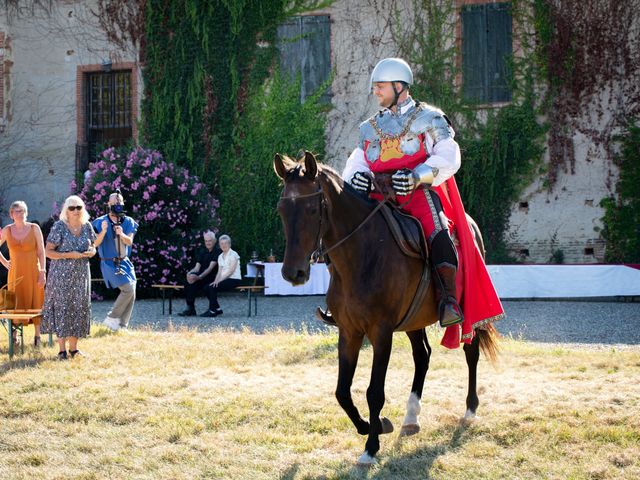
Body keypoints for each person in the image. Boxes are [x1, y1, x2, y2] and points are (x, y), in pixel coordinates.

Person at [320, 58, 504, 347]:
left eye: (380, 86)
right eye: (375, 87)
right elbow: (358, 161)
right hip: (379, 199)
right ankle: (342, 302)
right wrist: (357, 178)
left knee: (439, 234)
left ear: (399, 86)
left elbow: (449, 155)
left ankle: (447, 301)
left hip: (417, 195)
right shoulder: (369, 127)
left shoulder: (429, 118)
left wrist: (418, 176)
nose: (375, 92)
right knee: (347, 236)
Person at [41, 195, 96, 359]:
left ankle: (74, 349)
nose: (76, 211)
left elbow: (93, 246)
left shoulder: (87, 226)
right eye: (72, 208)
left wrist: (92, 252)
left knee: (78, 308)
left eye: (79, 207)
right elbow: (48, 251)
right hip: (61, 275)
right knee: (62, 308)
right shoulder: (59, 226)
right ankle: (61, 350)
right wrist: (68, 255)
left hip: (81, 275)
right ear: (66, 210)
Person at [0, 201, 46, 346]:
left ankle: (37, 337)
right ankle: (15, 336)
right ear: (11, 214)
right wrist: (5, 262)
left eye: (22, 211)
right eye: (16, 211)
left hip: (33, 271)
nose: (19, 214)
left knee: (36, 302)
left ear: (26, 213)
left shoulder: (34, 228)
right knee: (14, 303)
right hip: (15, 274)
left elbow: (41, 251)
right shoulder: (7, 230)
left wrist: (42, 271)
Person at [93, 190, 139, 331]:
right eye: (113, 203)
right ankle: (112, 318)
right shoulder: (100, 222)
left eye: (118, 203)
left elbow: (129, 241)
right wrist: (104, 232)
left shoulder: (129, 221)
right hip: (109, 262)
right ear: (108, 204)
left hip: (124, 261)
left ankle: (121, 326)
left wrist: (121, 233)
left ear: (123, 204)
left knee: (132, 289)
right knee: (128, 289)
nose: (116, 205)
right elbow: (94, 243)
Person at [178, 231, 222, 316]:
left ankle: (215, 308)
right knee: (188, 282)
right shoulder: (203, 251)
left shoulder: (218, 251)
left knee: (201, 284)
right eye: (206, 241)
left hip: (213, 277)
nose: (208, 243)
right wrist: (190, 273)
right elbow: (197, 267)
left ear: (214, 241)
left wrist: (199, 277)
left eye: (210, 241)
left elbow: (210, 268)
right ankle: (190, 308)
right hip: (202, 276)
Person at [201, 234, 241, 317]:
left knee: (212, 287)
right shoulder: (220, 256)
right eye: (221, 244)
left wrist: (219, 281)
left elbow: (230, 271)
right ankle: (218, 309)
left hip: (234, 279)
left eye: (226, 243)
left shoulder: (234, 254)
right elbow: (219, 271)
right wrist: (216, 280)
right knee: (206, 287)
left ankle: (212, 311)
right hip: (224, 279)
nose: (224, 245)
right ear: (219, 245)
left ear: (229, 244)